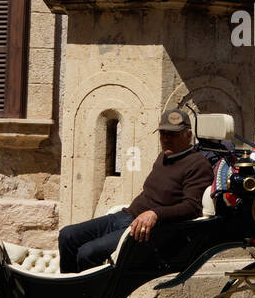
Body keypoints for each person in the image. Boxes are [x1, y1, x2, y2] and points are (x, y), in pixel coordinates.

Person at [57, 108, 215, 273]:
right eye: (163, 134)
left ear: (188, 135)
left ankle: (93, 297)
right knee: (68, 236)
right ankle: (70, 294)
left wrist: (155, 214)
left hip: (148, 229)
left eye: (173, 134)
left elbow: (191, 207)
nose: (166, 139)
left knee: (87, 253)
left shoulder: (198, 165)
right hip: (126, 216)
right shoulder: (164, 156)